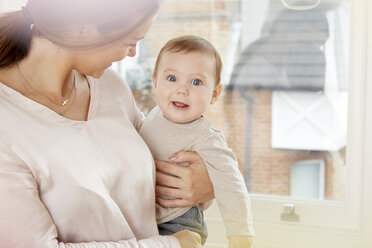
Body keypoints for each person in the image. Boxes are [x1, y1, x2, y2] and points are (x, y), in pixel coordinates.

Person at [0, 1, 215, 247]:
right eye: (130, 41)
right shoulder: (6, 124)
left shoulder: (110, 86)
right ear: (81, 30)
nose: (133, 53)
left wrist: (205, 183)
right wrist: (172, 245)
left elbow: (155, 161)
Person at [139, 35, 255, 248]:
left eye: (196, 82)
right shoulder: (151, 116)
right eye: (172, 78)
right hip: (143, 219)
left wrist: (240, 234)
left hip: (179, 222)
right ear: (155, 82)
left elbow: (232, 185)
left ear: (214, 93)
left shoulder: (207, 139)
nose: (182, 90)